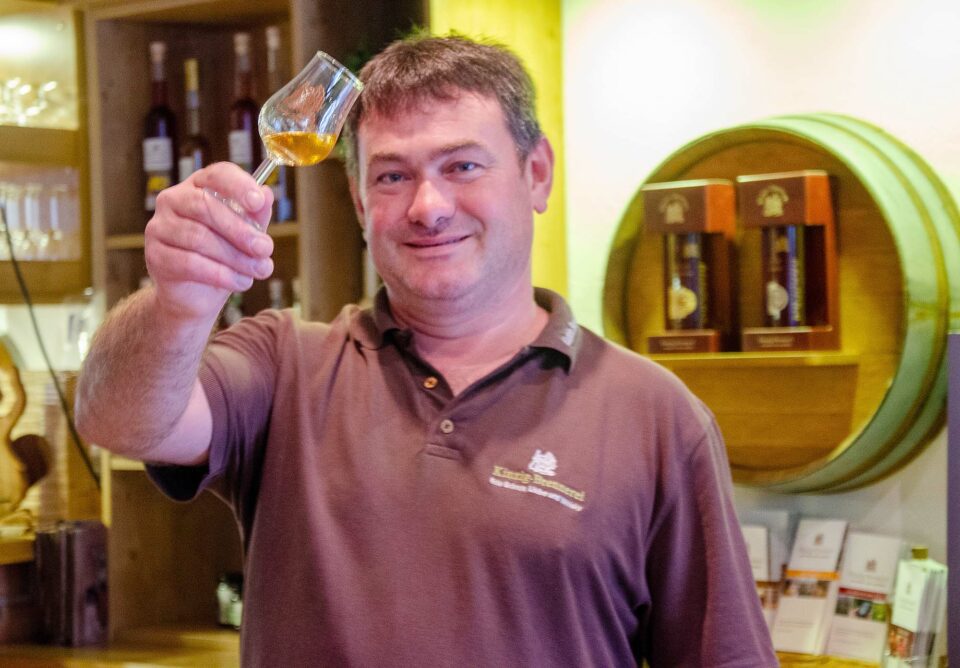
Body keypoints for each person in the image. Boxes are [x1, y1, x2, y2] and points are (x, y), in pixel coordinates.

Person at [76, 33, 777, 667]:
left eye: (463, 166)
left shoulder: (655, 416)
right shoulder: (284, 364)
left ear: (536, 173)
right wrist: (175, 304)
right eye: (392, 176)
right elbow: (119, 420)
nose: (428, 206)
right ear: (359, 202)